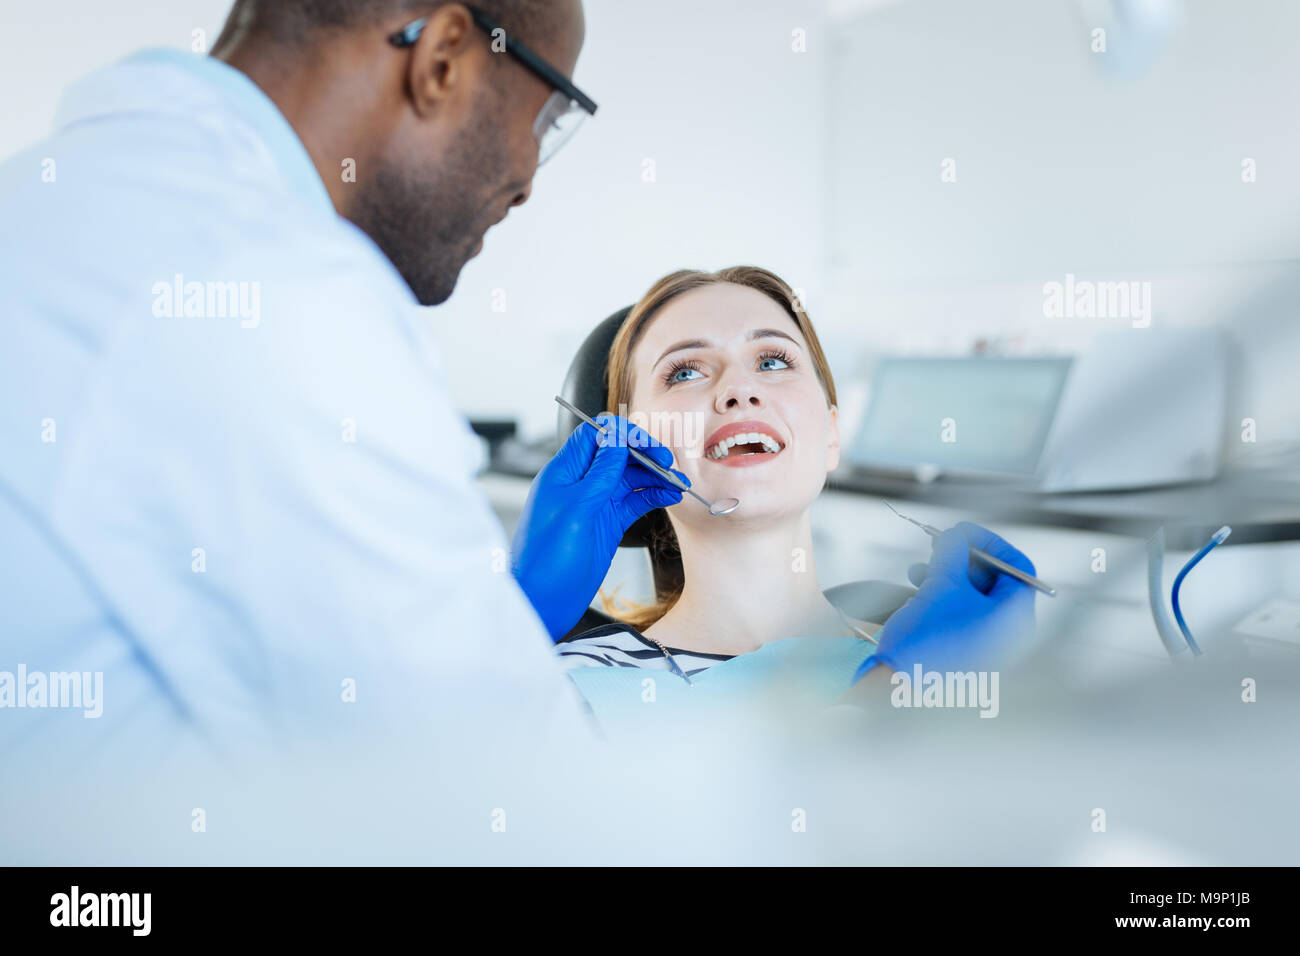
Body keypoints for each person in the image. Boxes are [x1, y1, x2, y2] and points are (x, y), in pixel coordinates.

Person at [555, 267, 1039, 688]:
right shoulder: (575, 685)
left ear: (832, 433)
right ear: (626, 447)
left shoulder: (967, 659)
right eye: (685, 372)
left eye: (772, 361)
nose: (740, 388)